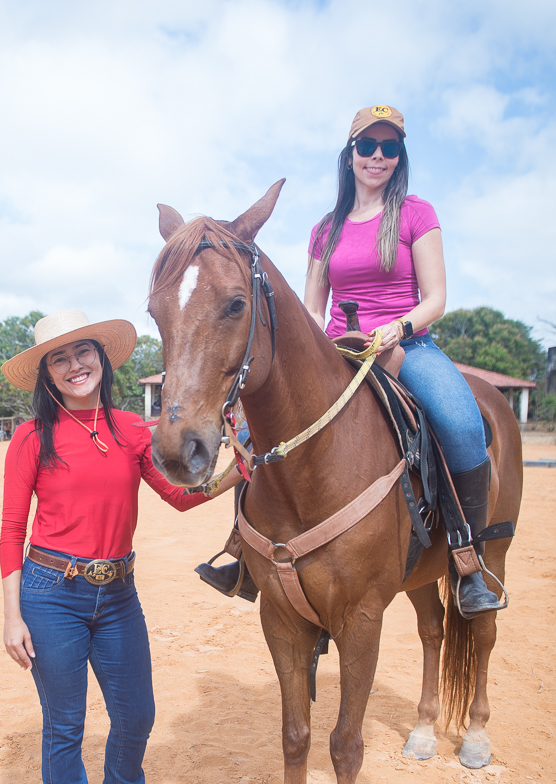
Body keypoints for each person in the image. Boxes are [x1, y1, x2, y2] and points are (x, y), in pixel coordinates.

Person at [198, 104, 503, 619]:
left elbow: (436, 296)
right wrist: (310, 353)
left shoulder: (416, 214)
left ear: (399, 157)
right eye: (368, 146)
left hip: (407, 347)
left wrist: (397, 328)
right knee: (257, 434)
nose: (378, 156)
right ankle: (243, 553)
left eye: (390, 147)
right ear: (351, 154)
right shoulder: (326, 228)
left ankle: (467, 561)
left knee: (461, 424)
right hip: (338, 349)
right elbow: (313, 308)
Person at [0, 310, 239, 784]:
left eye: (84, 352)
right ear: (47, 374)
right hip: (51, 594)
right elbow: (11, 528)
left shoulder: (131, 429)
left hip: (118, 596)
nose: (74, 365)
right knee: (66, 726)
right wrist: (12, 615)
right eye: (60, 358)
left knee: (136, 715)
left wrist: (238, 474)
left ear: (102, 360)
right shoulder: (34, 437)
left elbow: (178, 496)